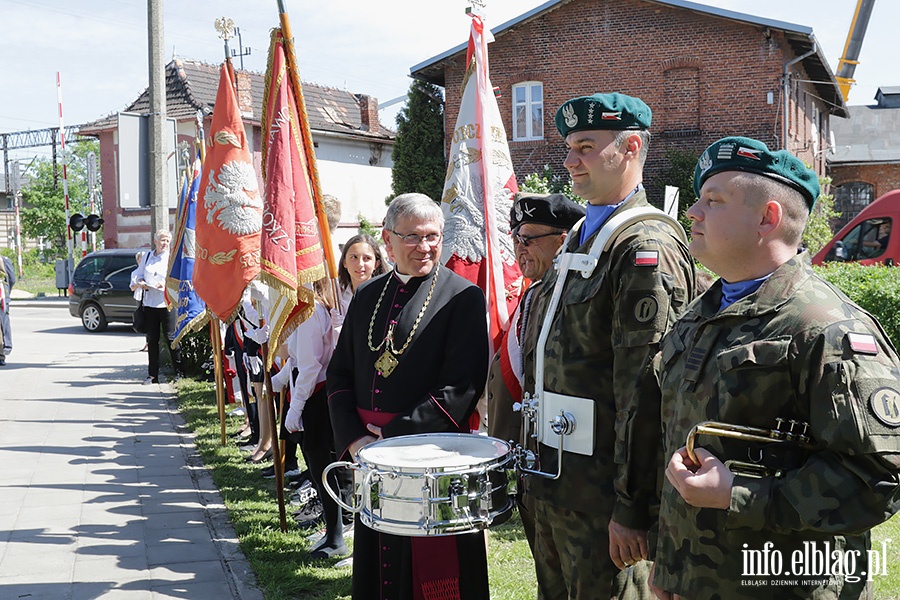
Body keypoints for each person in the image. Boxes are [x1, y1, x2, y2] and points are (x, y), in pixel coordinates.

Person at [646, 136, 900, 599]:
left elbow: (878, 476)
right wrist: (671, 567)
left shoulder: (827, 328)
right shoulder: (700, 314)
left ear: (768, 218)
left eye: (713, 200)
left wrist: (737, 494)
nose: (693, 212)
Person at [522, 92, 697, 600]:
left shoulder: (644, 246)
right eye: (569, 147)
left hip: (602, 499)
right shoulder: (581, 233)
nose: (569, 160)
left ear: (631, 147)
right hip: (555, 481)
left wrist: (633, 507)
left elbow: (647, 391)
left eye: (585, 146)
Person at [327, 193, 490, 599]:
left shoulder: (462, 297)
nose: (426, 247)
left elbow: (460, 389)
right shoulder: (367, 295)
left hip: (429, 456)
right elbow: (340, 374)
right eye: (414, 237)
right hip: (369, 457)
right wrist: (355, 438)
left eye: (433, 236)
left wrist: (391, 438)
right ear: (388, 239)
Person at [486, 192, 584, 551]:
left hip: (569, 470)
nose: (519, 248)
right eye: (515, 239)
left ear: (563, 240)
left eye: (528, 239)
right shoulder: (532, 295)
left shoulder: (577, 299)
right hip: (533, 468)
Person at [130, 229, 183, 384]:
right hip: (149, 303)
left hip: (166, 302)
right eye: (162, 240)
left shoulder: (171, 258)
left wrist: (165, 284)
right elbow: (139, 274)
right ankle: (152, 375)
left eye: (167, 240)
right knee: (152, 339)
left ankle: (179, 372)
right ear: (155, 241)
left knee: (171, 337)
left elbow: (177, 279)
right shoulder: (146, 257)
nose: (165, 243)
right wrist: (141, 283)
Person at [0, 254, 16, 366]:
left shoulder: (4, 260)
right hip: (2, 297)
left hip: (2, 297)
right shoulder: (4, 260)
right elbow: (12, 279)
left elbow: (12, 279)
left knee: (3, 323)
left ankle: (5, 349)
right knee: (3, 323)